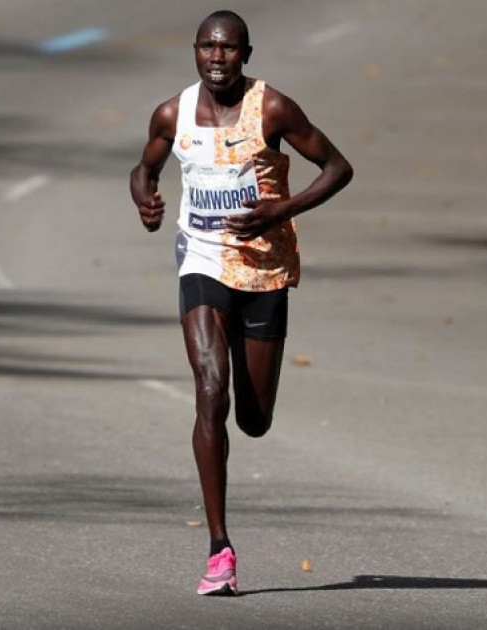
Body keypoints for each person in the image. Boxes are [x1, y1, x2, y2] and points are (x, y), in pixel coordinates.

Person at [129, 10, 353, 596]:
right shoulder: (172, 114)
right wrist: (145, 200)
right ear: (196, 52)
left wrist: (284, 208)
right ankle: (219, 548)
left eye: (228, 49)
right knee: (210, 387)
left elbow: (338, 167)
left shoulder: (273, 108)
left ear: (246, 54)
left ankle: (249, 397)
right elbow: (144, 168)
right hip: (202, 260)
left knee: (252, 419)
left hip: (264, 269)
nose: (217, 57)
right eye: (207, 47)